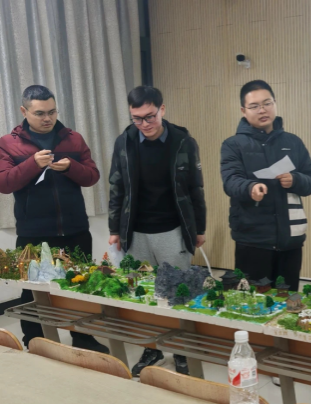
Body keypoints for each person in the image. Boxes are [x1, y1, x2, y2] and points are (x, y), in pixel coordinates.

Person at [0, 85, 107, 353]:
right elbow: (4, 183)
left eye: (52, 111)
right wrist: (32, 164)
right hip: (33, 233)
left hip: (75, 229)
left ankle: (83, 337)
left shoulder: (73, 139)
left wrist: (71, 167)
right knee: (32, 291)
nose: (47, 118)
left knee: (80, 287)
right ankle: (35, 340)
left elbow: (92, 176)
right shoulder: (8, 143)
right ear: (24, 111)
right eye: (40, 113)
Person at [108, 86, 207, 377]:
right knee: (145, 294)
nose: (144, 124)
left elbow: (196, 188)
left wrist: (199, 228)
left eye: (150, 116)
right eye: (137, 118)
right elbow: (117, 186)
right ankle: (152, 348)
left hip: (172, 230)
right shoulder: (124, 142)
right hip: (135, 232)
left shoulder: (183, 141)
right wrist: (114, 229)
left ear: (162, 109)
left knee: (178, 293)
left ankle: (182, 350)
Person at [220, 80, 311, 295]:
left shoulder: (293, 142)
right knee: (252, 301)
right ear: (243, 111)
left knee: (287, 298)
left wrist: (295, 180)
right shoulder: (233, 145)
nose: (262, 110)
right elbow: (230, 181)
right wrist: (250, 188)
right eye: (254, 106)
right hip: (252, 239)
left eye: (267, 103)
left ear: (275, 103)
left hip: (289, 239)